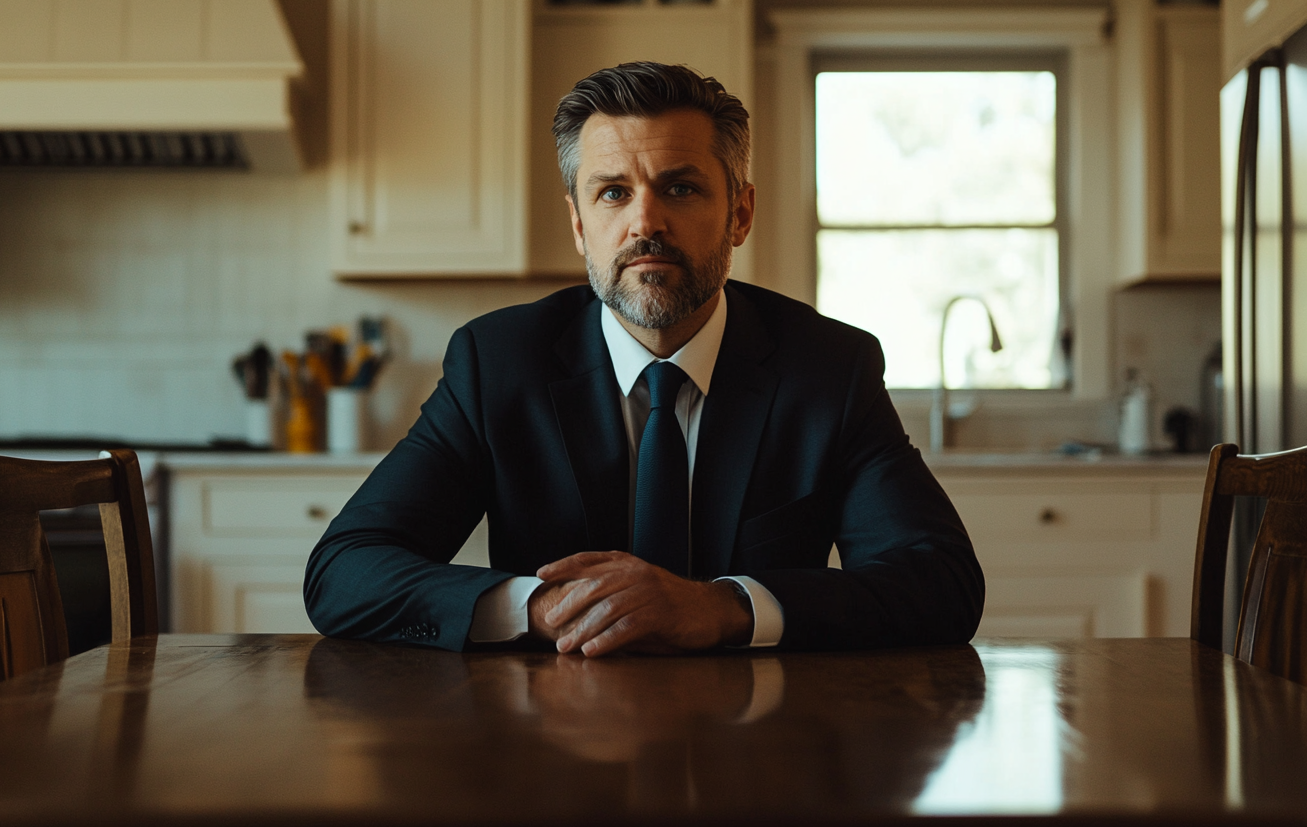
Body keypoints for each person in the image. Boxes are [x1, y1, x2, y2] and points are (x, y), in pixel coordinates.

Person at [304, 61, 983, 656]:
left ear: (740, 213)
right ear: (579, 224)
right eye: (613, 192)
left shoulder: (829, 368)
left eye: (680, 188)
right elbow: (346, 569)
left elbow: (938, 582)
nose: (645, 222)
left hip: (768, 752)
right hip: (546, 749)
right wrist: (545, 610)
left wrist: (718, 607)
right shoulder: (496, 364)